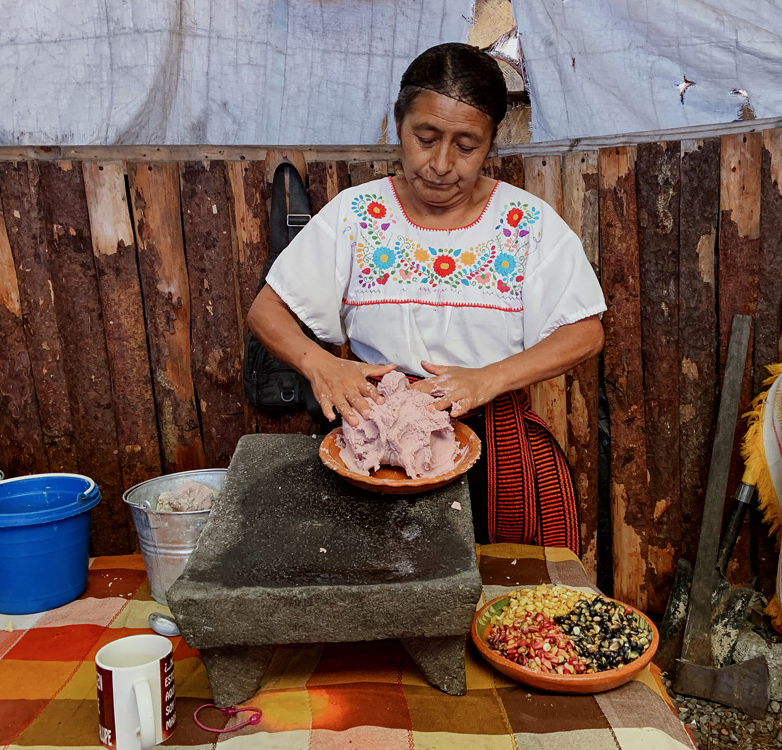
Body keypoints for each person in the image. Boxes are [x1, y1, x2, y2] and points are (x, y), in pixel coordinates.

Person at [247, 43, 605, 554]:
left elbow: (585, 331)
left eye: (466, 145)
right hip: (376, 441)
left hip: (496, 449)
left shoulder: (525, 223)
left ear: (491, 143)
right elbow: (267, 309)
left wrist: (488, 379)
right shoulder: (358, 215)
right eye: (426, 137)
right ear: (399, 125)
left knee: (498, 601)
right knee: (383, 593)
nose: (440, 164)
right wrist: (320, 364)